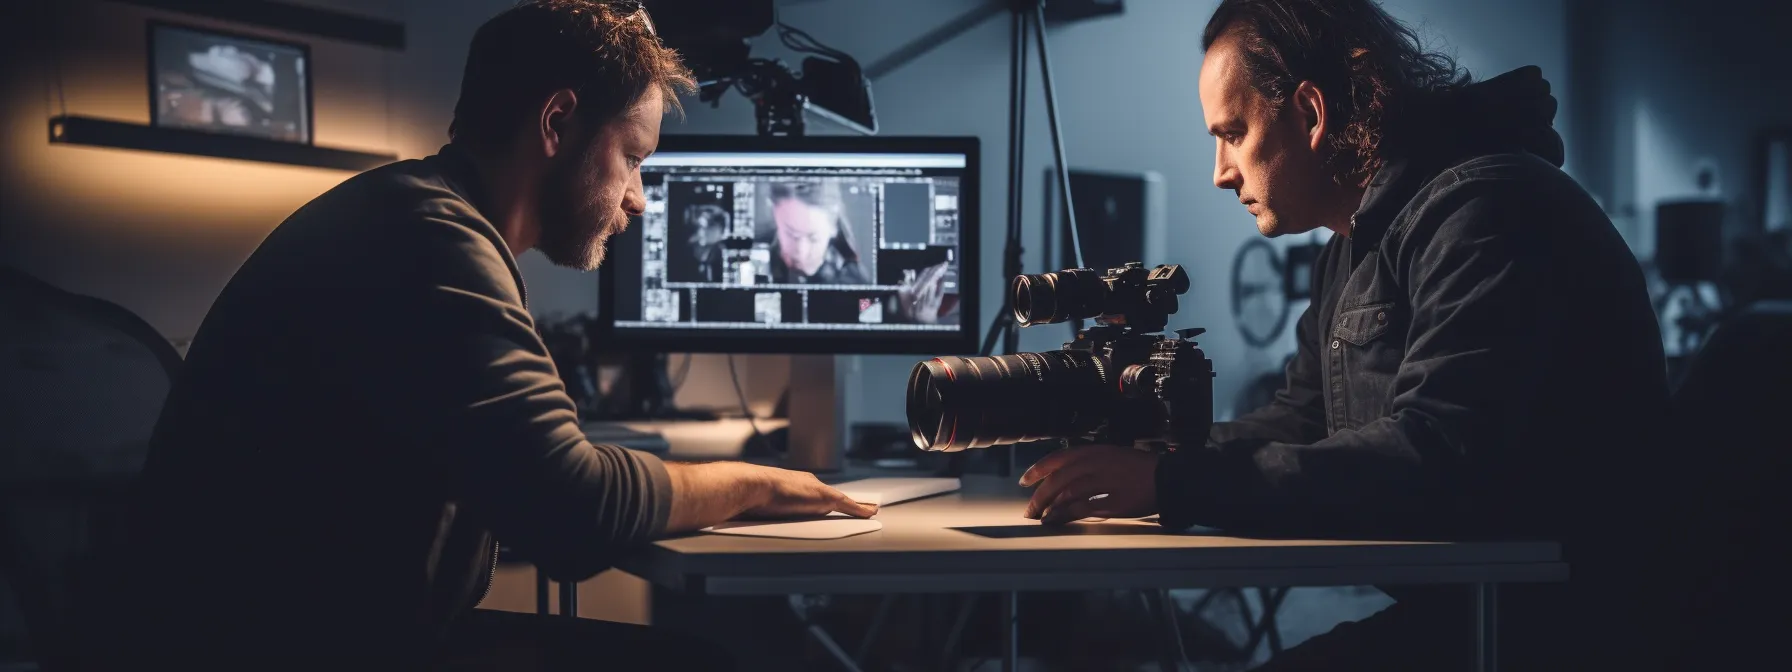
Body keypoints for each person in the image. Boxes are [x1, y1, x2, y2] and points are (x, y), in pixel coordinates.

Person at [85, 2, 876, 670]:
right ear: (559, 122)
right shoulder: (431, 242)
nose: (638, 200)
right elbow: (571, 510)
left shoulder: (410, 214)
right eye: (634, 158)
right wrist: (755, 481)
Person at [1018, 0, 1670, 669]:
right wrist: (1142, 460)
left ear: (1309, 112)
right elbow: (1303, 420)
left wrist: (1175, 481)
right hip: (1468, 609)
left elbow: (1437, 454)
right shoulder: (1353, 244)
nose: (1220, 171)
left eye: (1234, 133)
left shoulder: (1486, 212)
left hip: (1555, 631)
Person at [765, 181, 873, 285]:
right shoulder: (753, 267)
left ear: (833, 228)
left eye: (813, 239)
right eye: (791, 234)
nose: (801, 251)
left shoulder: (858, 285)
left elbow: (867, 303)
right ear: (774, 215)